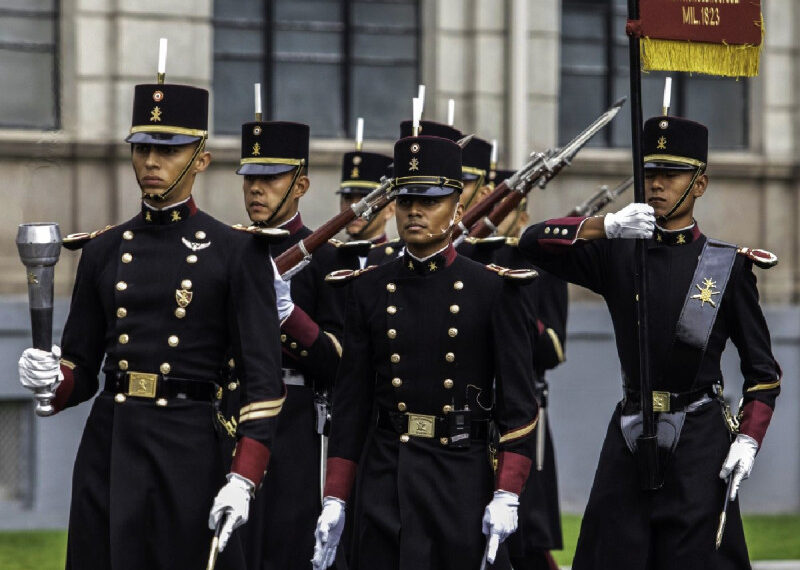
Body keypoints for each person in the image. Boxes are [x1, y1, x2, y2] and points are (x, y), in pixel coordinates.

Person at [16, 78, 285, 570]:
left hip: (191, 446)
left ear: (201, 158)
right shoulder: (103, 249)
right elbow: (81, 369)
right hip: (113, 443)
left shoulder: (236, 252)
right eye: (141, 148)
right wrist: (52, 378)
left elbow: (263, 384)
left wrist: (244, 478)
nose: (151, 163)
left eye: (169, 149)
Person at [517, 115, 781, 569]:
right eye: (650, 173)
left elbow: (764, 373)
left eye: (671, 174)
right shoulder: (618, 251)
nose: (656, 184)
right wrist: (606, 225)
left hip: (698, 436)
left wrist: (749, 439)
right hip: (631, 431)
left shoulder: (727, 267)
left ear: (699, 184)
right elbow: (531, 243)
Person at [312, 134, 540, 569]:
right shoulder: (369, 288)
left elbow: (518, 406)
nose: (414, 211)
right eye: (405, 200)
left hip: (460, 477)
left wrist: (507, 492)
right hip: (386, 475)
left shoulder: (491, 289)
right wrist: (336, 497)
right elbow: (351, 406)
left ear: (457, 205)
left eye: (429, 200)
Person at [235, 120, 346, 569]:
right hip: (232, 413)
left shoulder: (328, 258)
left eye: (270, 179)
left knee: (286, 545)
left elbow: (340, 361)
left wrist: (290, 318)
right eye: (250, 178)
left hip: (295, 421)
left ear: (300, 185)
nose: (256, 190)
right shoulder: (230, 250)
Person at [460, 176, 568, 570]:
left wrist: (513, 304)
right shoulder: (467, 256)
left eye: (503, 209)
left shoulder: (538, 264)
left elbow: (553, 348)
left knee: (528, 536)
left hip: (520, 409)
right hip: (472, 411)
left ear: (521, 216)